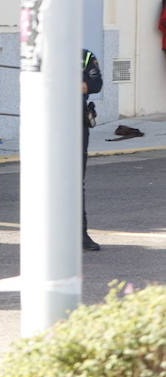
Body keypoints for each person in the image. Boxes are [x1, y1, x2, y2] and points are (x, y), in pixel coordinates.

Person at [81, 48, 104, 251]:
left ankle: (81, 233)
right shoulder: (43, 53)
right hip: (51, 127)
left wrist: (83, 86)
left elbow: (96, 84)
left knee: (78, 181)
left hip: (78, 126)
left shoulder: (85, 56)